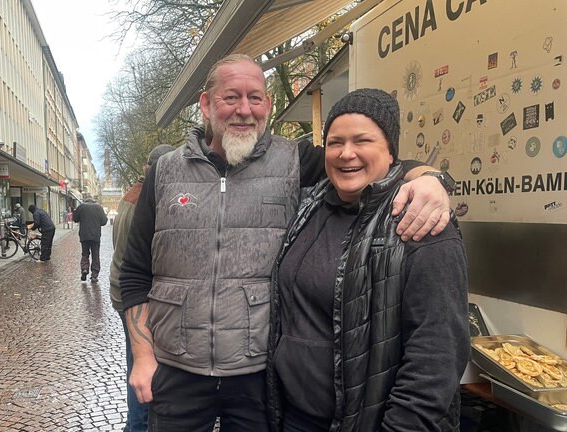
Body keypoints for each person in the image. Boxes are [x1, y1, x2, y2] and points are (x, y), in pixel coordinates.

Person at [119, 54, 455, 432]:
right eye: (232, 97)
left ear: (269, 104)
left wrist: (432, 179)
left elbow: (366, 159)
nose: (245, 110)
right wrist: (143, 356)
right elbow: (134, 273)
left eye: (256, 98)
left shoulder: (294, 160)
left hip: (259, 377)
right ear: (206, 104)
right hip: (177, 369)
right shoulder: (165, 173)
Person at [266, 88, 469, 432]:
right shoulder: (311, 206)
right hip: (295, 418)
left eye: (363, 140)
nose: (347, 154)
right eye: (335, 142)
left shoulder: (419, 220)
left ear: (391, 153)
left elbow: (437, 353)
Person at [110, 144, 176, 432]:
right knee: (143, 368)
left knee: (138, 364)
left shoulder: (130, 195)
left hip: (123, 292)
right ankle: (137, 427)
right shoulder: (148, 198)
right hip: (137, 297)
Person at [73, 195, 108, 282]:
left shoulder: (81, 206)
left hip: (84, 235)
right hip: (95, 235)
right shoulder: (98, 207)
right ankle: (94, 275)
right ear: (93, 200)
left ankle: (84, 269)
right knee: (95, 255)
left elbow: (75, 219)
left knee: (85, 254)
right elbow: (104, 221)